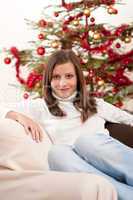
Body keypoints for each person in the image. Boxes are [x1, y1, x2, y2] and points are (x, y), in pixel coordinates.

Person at [0, 49, 132, 200]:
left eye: (69, 76)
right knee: (57, 153)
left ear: (77, 78)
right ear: (48, 80)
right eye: (56, 77)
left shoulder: (96, 104)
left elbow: (129, 120)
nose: (62, 83)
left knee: (87, 141)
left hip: (105, 159)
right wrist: (17, 115)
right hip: (79, 171)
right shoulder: (39, 107)